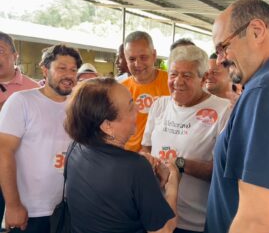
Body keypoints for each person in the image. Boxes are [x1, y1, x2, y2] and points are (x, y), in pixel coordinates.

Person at [205, 0, 269, 233]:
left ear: (256, 31)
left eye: (223, 47)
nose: (220, 60)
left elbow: (260, 222)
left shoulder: (268, 90)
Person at [64, 77, 180, 233]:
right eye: (131, 107)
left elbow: (114, 201)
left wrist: (148, 182)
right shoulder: (136, 167)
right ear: (108, 126)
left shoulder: (76, 147)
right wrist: (172, 186)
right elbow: (164, 229)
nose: (138, 110)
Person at [142, 45, 231, 233]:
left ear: (204, 78)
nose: (178, 82)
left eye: (187, 76)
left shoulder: (224, 110)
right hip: (156, 216)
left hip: (195, 222)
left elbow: (221, 171)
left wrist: (179, 164)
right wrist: (149, 162)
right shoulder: (160, 105)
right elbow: (146, 149)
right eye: (173, 74)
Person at [0, 44, 82, 233]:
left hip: (69, 209)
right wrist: (13, 205)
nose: (69, 75)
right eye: (62, 68)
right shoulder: (22, 101)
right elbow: (4, 152)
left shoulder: (78, 106)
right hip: (31, 212)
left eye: (73, 70)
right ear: (45, 69)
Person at [0, 31, 39, 231]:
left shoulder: (33, 90)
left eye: (0, 51)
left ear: (15, 56)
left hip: (19, 174)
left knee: (17, 225)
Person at [122, 31, 169, 152]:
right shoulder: (120, 90)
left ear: (154, 55)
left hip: (162, 158)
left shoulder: (172, 84)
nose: (138, 64)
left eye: (143, 57)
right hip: (128, 157)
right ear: (126, 60)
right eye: (132, 59)